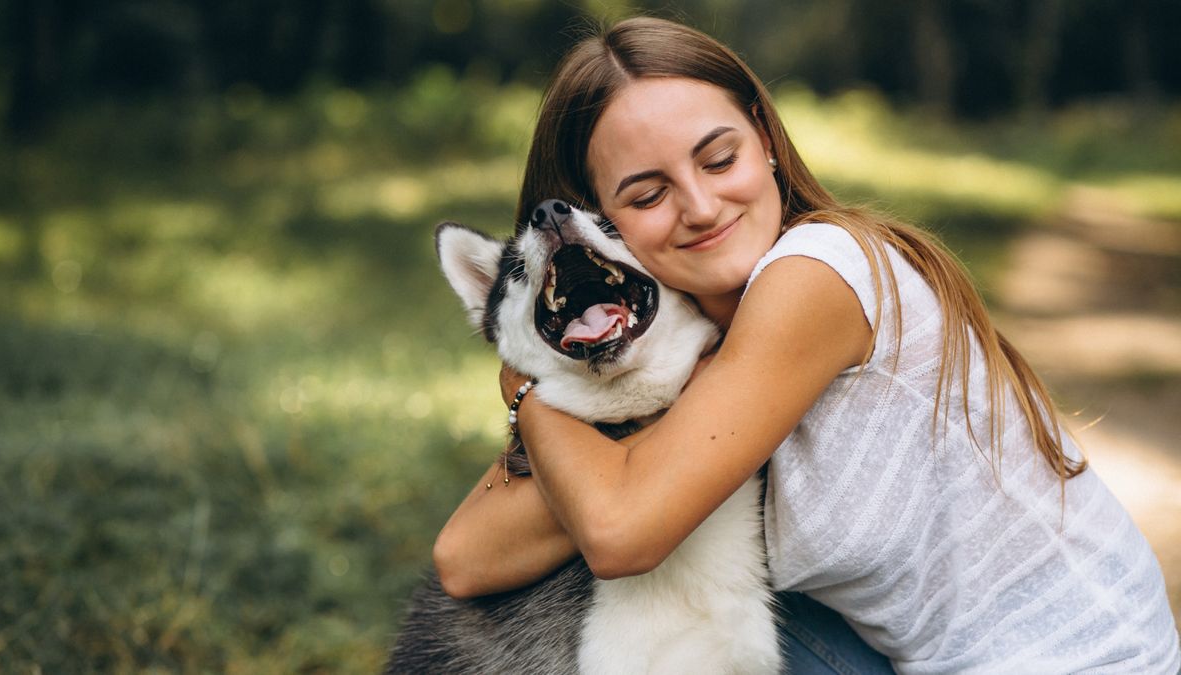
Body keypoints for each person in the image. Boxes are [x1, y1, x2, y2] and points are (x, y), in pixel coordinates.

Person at [432, 16, 1181, 673]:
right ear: (606, 230)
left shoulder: (818, 272)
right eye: (649, 194)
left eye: (718, 158)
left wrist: (526, 384)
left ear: (763, 137)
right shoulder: (689, 352)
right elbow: (466, 559)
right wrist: (549, 382)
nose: (699, 206)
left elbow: (621, 531)